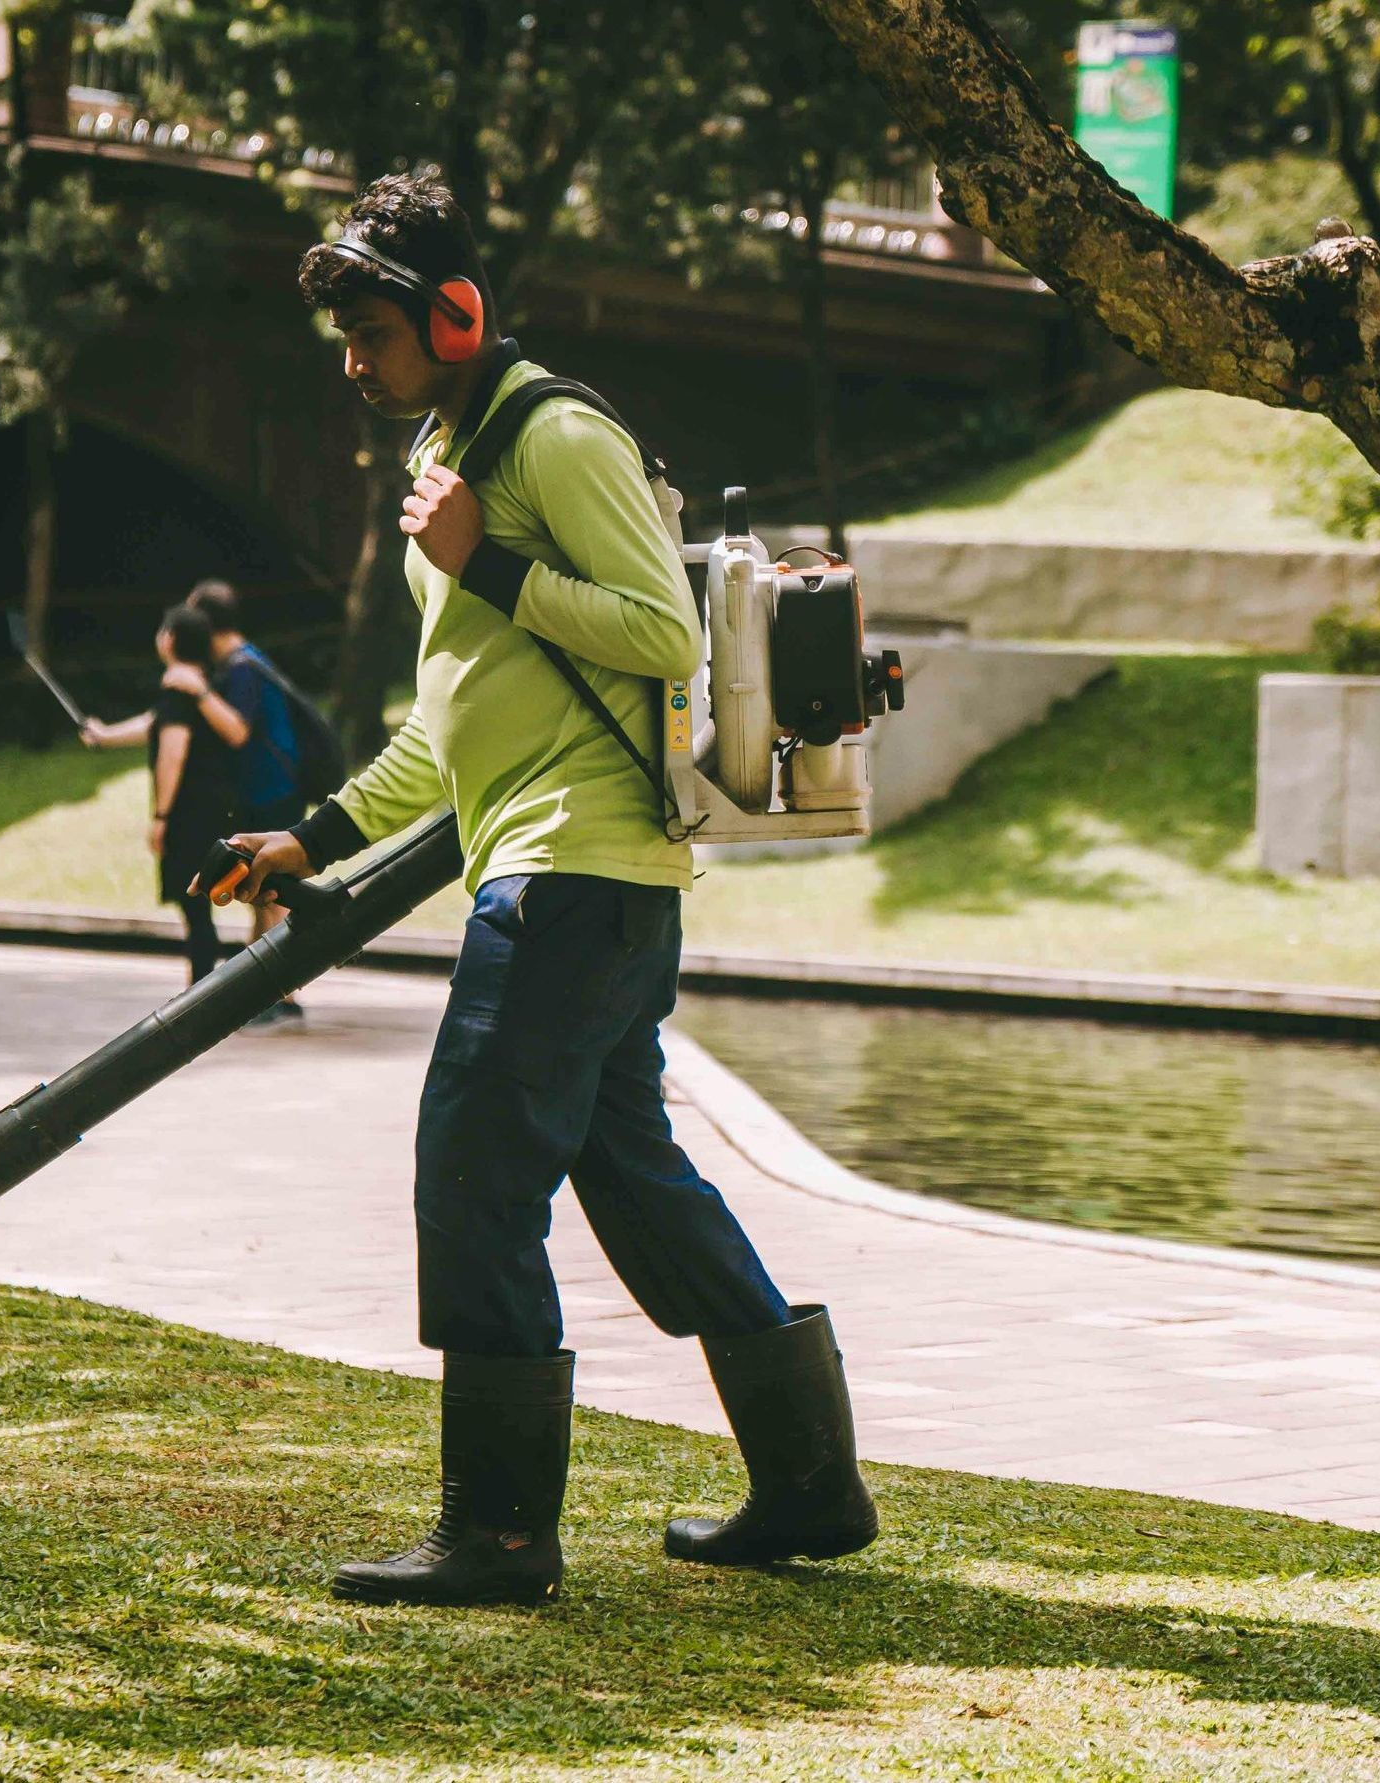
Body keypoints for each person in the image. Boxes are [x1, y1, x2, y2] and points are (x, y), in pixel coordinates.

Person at [216, 172, 878, 1606]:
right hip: (580, 877)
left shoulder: (557, 435)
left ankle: (501, 1533)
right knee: (632, 1177)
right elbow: (451, 718)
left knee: (471, 1163)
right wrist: (311, 835)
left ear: (456, 314)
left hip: (573, 873)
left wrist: (490, 561)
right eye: (341, 330)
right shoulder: (453, 455)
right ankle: (810, 1485)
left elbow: (659, 632)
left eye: (372, 327)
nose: (352, 358)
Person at [83, 606, 242, 984]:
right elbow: (155, 724)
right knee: (199, 907)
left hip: (191, 815)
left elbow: (173, 751)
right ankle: (202, 989)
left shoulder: (177, 691)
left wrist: (161, 817)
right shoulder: (198, 685)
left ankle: (200, 993)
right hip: (217, 809)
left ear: (168, 640)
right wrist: (105, 736)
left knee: (195, 908)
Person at [185, 578, 309, 1028]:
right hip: (271, 791)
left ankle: (284, 995)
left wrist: (197, 692)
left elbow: (237, 731)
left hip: (273, 794)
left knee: (274, 898)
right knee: (263, 897)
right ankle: (267, 992)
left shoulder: (241, 668)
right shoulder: (247, 661)